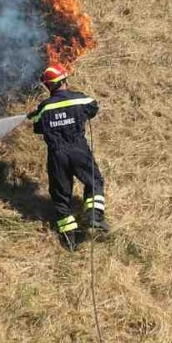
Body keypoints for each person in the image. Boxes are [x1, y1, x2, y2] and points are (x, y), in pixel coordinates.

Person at [27, 63, 108, 250]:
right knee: (94, 180)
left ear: (48, 86)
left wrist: (41, 113)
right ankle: (95, 215)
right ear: (64, 81)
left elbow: (38, 127)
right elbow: (93, 107)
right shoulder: (79, 100)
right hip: (78, 149)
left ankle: (69, 238)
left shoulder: (44, 108)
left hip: (57, 155)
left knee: (60, 195)